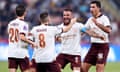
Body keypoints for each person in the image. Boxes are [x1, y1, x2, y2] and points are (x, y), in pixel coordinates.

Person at [82, 1, 112, 72]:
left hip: (102, 47)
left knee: (99, 69)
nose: (91, 9)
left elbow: (109, 30)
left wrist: (97, 24)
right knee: (83, 68)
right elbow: (83, 29)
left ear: (98, 8)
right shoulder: (90, 19)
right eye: (90, 7)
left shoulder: (104, 18)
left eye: (93, 7)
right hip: (93, 46)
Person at [8, 5, 36, 72]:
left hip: (11, 53)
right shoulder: (24, 24)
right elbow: (22, 37)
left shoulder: (10, 23)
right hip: (22, 53)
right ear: (25, 13)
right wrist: (32, 43)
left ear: (16, 12)